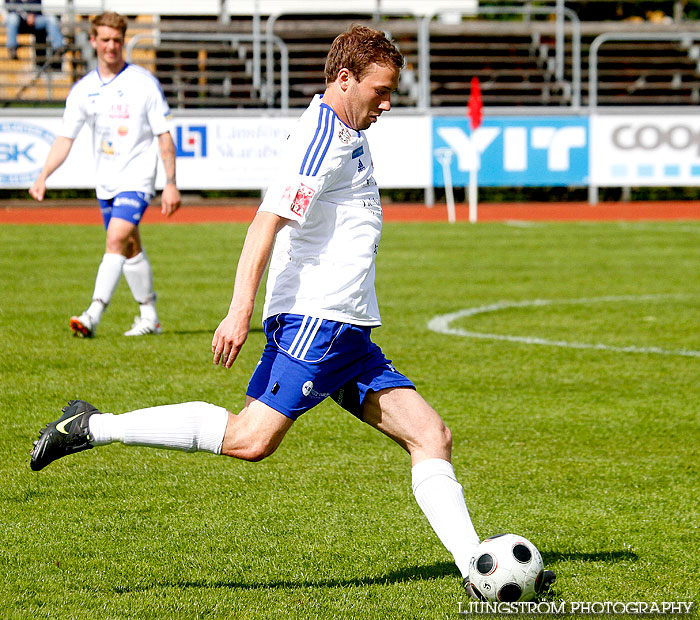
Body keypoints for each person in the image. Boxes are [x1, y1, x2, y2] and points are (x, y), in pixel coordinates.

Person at [29, 25, 553, 597]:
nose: (385, 104)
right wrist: (238, 310)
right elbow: (265, 223)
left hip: (347, 330)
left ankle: (477, 572)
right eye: (380, 91)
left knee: (431, 436)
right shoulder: (320, 139)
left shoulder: (347, 127)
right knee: (250, 439)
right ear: (345, 79)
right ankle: (90, 427)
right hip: (316, 320)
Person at [29, 12, 181, 337]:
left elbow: (164, 136)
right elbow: (64, 138)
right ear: (94, 41)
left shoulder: (143, 83)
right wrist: (43, 176)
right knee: (128, 246)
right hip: (106, 181)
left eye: (117, 40)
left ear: (122, 41)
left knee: (115, 238)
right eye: (105, 39)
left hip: (138, 178)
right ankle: (150, 317)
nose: (111, 46)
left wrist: (170, 183)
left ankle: (93, 314)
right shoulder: (83, 89)